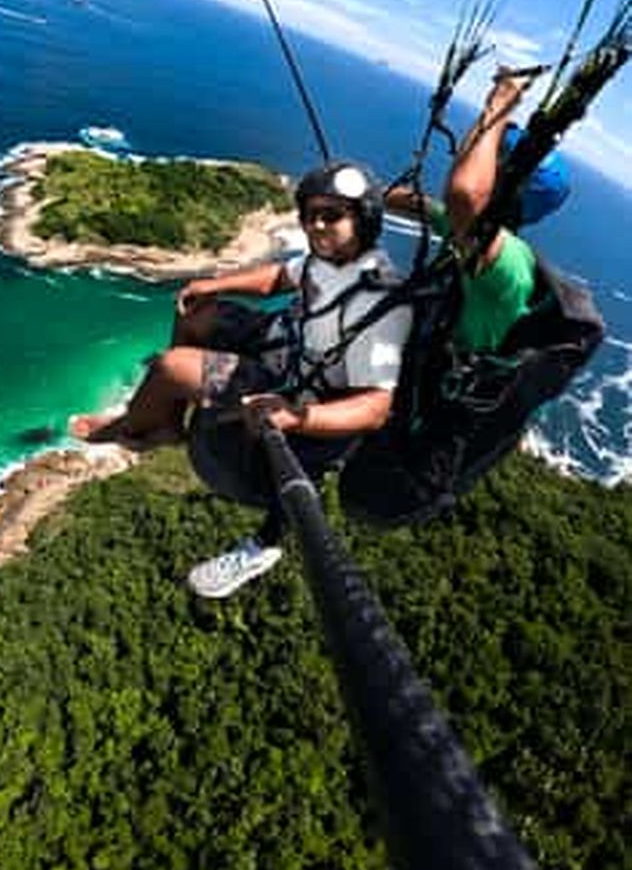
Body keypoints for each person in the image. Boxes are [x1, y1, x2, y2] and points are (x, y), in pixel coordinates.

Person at [69, 161, 412, 598]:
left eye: (332, 215)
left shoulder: (378, 303)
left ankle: (133, 426)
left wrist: (297, 417)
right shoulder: (326, 258)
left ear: (363, 218)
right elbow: (277, 278)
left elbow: (376, 407)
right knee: (195, 312)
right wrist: (214, 284)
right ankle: (169, 421)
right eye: (310, 215)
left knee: (171, 366)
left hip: (293, 386)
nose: (317, 225)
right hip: (279, 344)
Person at [385, 69, 571, 353]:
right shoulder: (472, 235)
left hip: (425, 389)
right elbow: (426, 205)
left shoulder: (509, 261)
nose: (475, 158)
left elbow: (465, 196)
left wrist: (502, 101)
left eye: (489, 158)